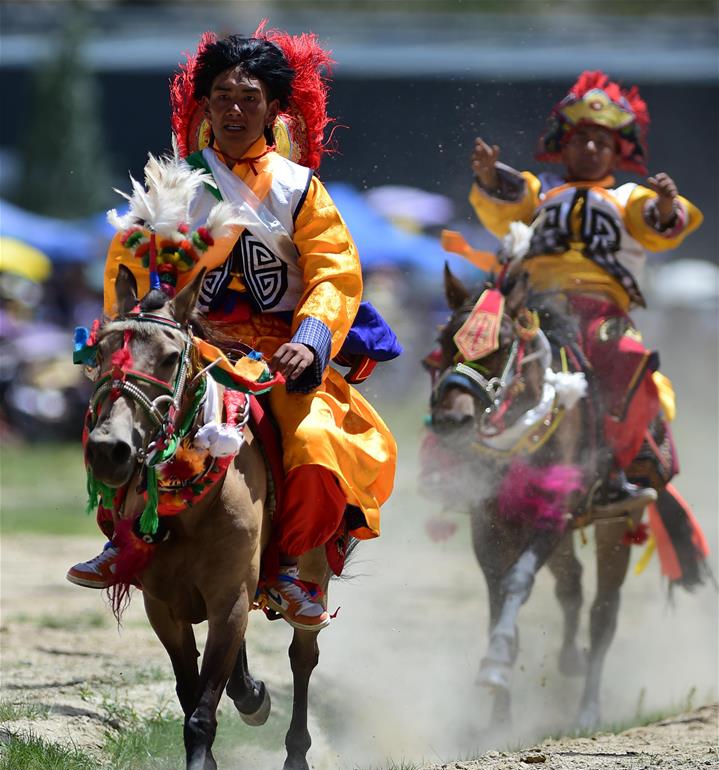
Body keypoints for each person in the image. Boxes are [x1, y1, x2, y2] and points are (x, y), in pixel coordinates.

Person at [66, 29, 399, 630]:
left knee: (320, 442)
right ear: (206, 106)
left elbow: (335, 272)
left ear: (274, 109)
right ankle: (124, 538)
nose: (236, 110)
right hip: (192, 344)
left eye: (250, 98)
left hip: (281, 354)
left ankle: (294, 567)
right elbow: (130, 266)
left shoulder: (302, 190)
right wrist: (136, 324)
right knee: (125, 415)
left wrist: (313, 339)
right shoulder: (175, 184)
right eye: (223, 96)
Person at [467, 70, 702, 506]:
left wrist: (667, 205)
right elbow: (508, 201)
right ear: (564, 146)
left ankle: (615, 469)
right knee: (468, 344)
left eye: (603, 143)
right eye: (581, 140)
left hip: (602, 315)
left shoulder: (629, 199)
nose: (591, 149)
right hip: (534, 308)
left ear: (617, 153)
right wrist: (488, 176)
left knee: (629, 359)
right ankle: (462, 454)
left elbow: (662, 226)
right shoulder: (540, 194)